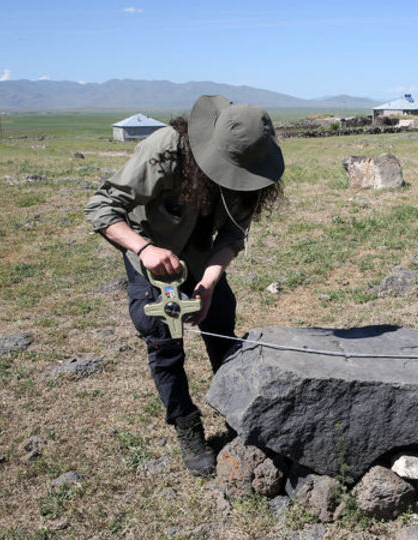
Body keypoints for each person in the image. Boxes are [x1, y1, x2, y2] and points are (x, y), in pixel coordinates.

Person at [84, 95, 284, 476]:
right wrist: (144, 249)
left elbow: (232, 233)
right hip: (149, 255)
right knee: (162, 339)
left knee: (222, 327)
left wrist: (208, 283)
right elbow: (102, 207)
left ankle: (238, 411)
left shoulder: (251, 165)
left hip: (199, 256)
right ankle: (186, 426)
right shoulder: (165, 150)